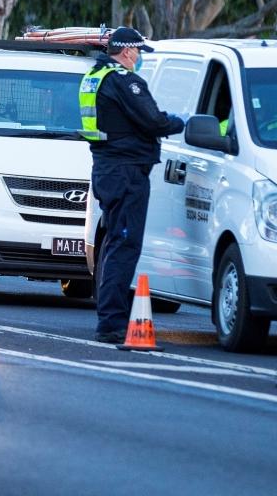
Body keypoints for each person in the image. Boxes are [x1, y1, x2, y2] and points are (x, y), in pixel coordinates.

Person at [80, 26, 186, 343]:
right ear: (127, 51)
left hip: (108, 169)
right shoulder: (124, 81)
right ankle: (112, 322)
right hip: (126, 172)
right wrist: (182, 121)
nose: (138, 58)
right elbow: (153, 121)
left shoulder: (95, 76)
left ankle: (110, 316)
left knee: (114, 242)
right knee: (124, 245)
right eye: (137, 52)